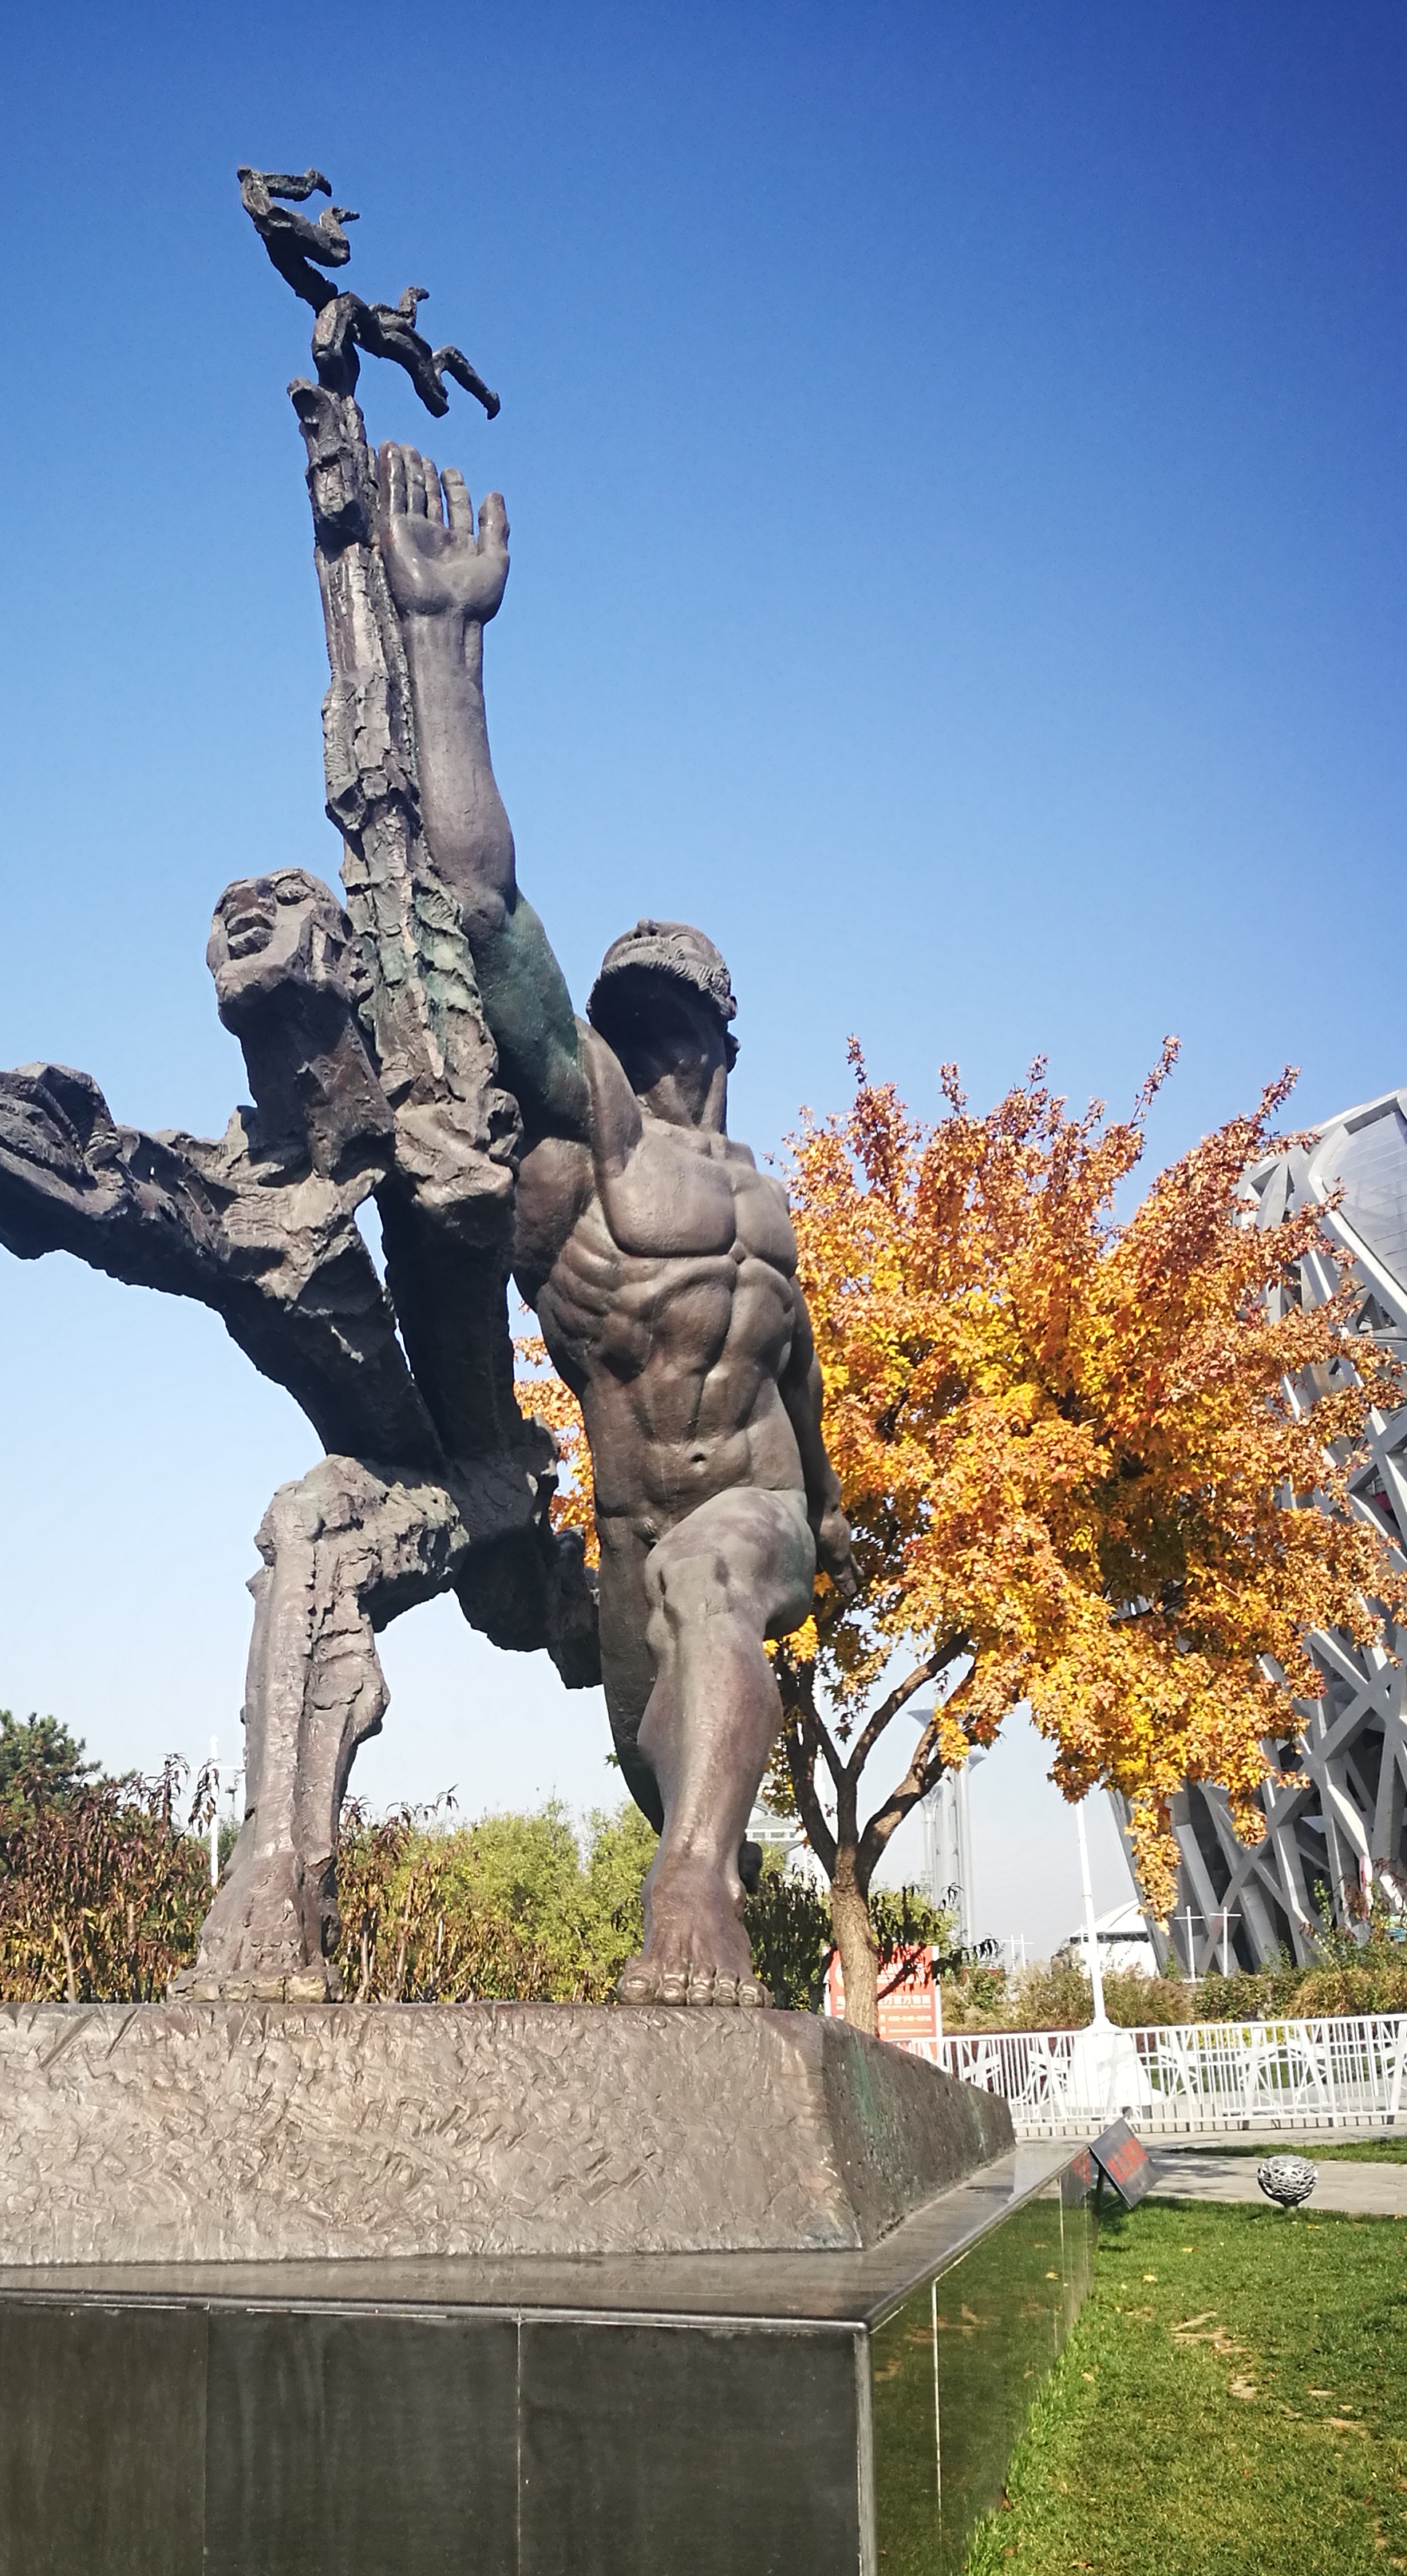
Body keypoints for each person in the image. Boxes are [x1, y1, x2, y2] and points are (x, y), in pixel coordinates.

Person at [375, 443, 855, 2005]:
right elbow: (487, 908)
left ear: (718, 1037)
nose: (652, 1046)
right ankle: (707, 1893)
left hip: (748, 1530)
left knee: (717, 1621)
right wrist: (448, 645)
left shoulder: (775, 1205)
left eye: (674, 1023)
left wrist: (825, 1514)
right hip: (631, 1555)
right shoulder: (590, 1156)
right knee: (664, 1766)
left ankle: (696, 1891)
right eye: (627, 1021)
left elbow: (803, 1390)